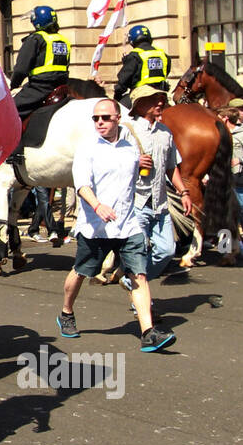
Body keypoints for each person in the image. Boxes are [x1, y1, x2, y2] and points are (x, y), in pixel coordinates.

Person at [60, 98, 176, 352]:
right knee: (82, 272)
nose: (99, 122)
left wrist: (140, 164)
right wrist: (97, 205)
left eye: (105, 118)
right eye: (95, 118)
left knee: (139, 274)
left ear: (117, 119)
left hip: (127, 223)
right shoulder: (87, 147)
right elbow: (81, 185)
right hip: (95, 226)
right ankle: (66, 311)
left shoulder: (129, 145)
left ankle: (148, 332)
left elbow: (131, 173)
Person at [127, 86, 193, 280]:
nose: (160, 102)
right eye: (153, 99)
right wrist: (135, 162)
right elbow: (111, 164)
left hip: (160, 204)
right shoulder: (126, 131)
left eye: (161, 98)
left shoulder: (166, 132)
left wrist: (184, 192)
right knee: (137, 254)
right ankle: (140, 297)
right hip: (136, 203)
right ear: (139, 105)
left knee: (167, 251)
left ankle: (132, 282)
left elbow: (171, 167)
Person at [10, 5, 71, 121]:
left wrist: (13, 85)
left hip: (39, 88)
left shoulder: (35, 39)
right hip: (61, 87)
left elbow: (21, 69)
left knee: (8, 110)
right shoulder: (64, 41)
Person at [219, 104, 243, 253]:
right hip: (223, 178)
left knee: (240, 208)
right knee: (227, 213)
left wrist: (240, 159)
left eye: (221, 118)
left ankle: (240, 243)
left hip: (240, 177)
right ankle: (226, 248)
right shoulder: (218, 133)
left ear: (227, 119)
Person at [113, 25, 171, 105]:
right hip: (162, 94)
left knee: (119, 111)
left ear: (132, 40)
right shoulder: (163, 54)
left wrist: (117, 93)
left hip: (141, 95)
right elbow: (165, 71)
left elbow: (124, 80)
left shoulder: (135, 55)